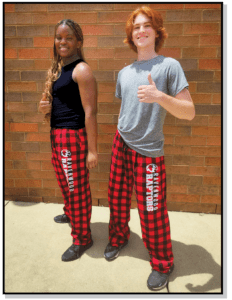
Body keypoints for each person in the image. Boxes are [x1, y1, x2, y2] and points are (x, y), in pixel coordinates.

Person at [103, 6, 195, 292]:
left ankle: (162, 263)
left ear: (156, 32)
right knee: (116, 198)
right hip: (121, 142)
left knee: (151, 209)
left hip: (149, 151)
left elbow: (189, 112)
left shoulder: (169, 66)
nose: (140, 31)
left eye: (146, 26)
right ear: (131, 35)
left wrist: (159, 96)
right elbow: (127, 108)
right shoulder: (124, 72)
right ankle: (119, 238)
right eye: (136, 27)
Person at [39, 19, 98, 262]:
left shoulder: (81, 69)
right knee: (66, 183)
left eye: (69, 38)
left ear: (79, 42)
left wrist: (92, 151)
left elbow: (91, 112)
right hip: (57, 135)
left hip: (72, 137)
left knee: (77, 189)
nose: (62, 41)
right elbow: (58, 105)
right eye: (59, 37)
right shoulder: (58, 68)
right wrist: (44, 108)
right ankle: (71, 214)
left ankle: (83, 238)